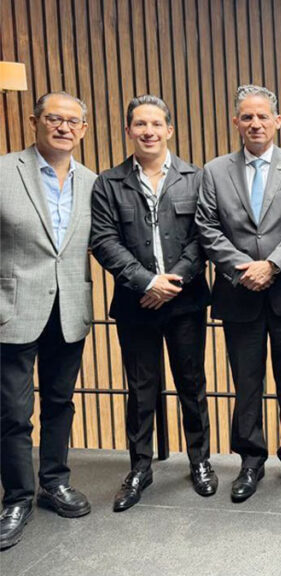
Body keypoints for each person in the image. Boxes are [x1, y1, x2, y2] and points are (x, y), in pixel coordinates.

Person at [90, 95, 215, 512]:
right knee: (141, 389)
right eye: (139, 124)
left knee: (192, 384)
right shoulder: (109, 183)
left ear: (169, 130)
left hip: (185, 301)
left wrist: (172, 280)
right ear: (128, 131)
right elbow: (103, 240)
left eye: (156, 124)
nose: (148, 131)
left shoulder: (194, 178)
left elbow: (204, 238)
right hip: (136, 303)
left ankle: (200, 461)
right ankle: (140, 467)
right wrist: (146, 281)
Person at [197, 85, 281, 502]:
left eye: (263, 116)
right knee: (245, 383)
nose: (255, 123)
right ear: (236, 123)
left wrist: (272, 265)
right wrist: (240, 268)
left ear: (278, 121)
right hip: (238, 294)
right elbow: (207, 228)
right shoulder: (214, 171)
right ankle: (250, 462)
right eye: (247, 117)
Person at [0, 91, 96, 550]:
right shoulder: (3, 171)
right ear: (34, 121)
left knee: (61, 403)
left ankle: (53, 482)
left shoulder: (95, 182)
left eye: (72, 121)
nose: (63, 127)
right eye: (54, 118)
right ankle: (16, 496)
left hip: (69, 310)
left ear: (83, 129)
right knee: (14, 412)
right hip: (12, 310)